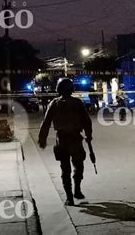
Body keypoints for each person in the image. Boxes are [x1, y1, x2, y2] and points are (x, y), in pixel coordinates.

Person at [38, 78, 93, 206]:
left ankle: (72, 194)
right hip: (69, 139)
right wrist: (88, 134)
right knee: (76, 167)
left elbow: (46, 123)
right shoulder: (68, 103)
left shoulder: (58, 103)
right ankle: (73, 193)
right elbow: (86, 121)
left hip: (66, 139)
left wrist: (42, 139)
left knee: (67, 169)